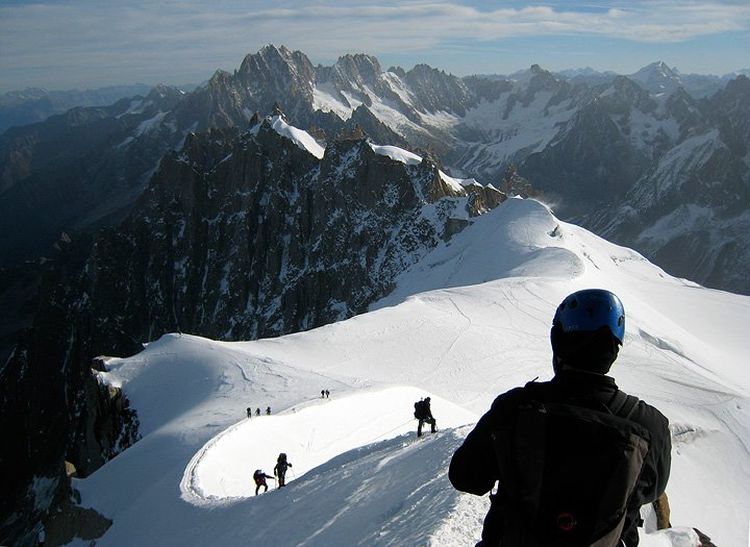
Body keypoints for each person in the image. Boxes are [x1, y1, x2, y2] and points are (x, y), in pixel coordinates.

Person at [449, 289, 671, 547]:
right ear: (615, 348)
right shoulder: (649, 427)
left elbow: (465, 477)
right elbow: (650, 490)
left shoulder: (514, 408)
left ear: (558, 341)